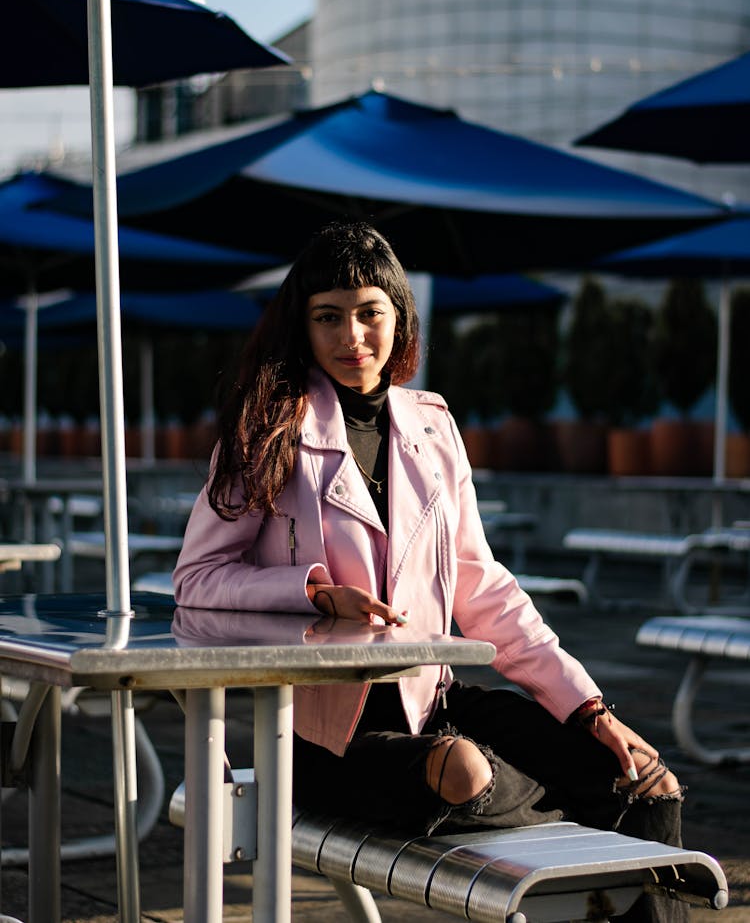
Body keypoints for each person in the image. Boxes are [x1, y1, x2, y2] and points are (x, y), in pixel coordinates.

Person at [173, 221, 686, 923]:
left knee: (643, 779)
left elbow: (481, 585)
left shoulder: (433, 425)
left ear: (398, 316)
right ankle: (579, 803)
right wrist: (313, 593)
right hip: (325, 736)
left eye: (368, 313)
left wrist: (588, 708)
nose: (351, 335)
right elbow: (198, 580)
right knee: (468, 770)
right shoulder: (267, 430)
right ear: (302, 324)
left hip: (433, 701)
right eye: (328, 316)